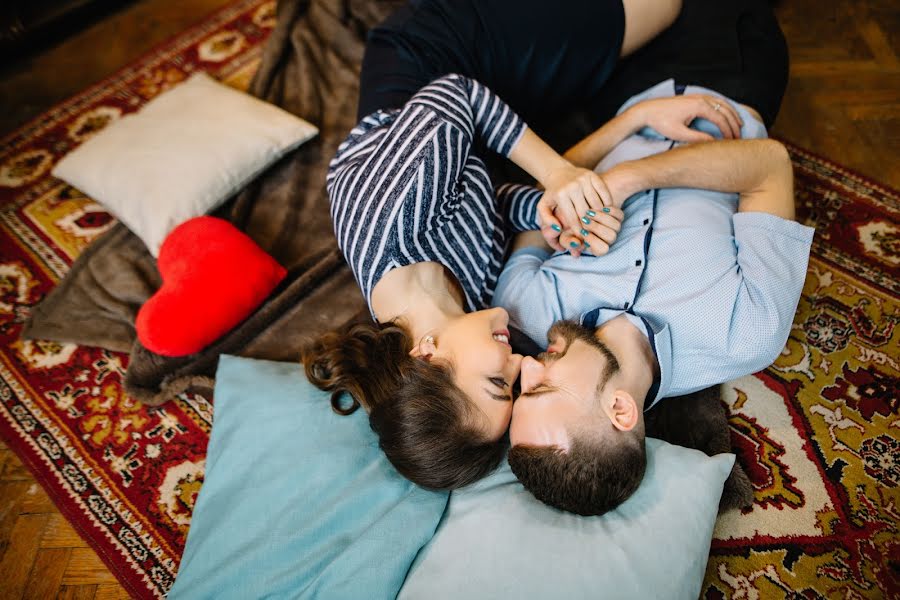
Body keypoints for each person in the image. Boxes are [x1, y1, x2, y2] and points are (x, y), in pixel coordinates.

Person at [300, 0, 684, 490]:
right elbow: (483, 200)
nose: (522, 363)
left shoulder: (393, 221)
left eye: (497, 383)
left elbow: (456, 94)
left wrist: (557, 175)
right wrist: (549, 214)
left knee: (662, 8)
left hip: (440, 54)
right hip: (483, 133)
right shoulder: (465, 310)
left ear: (426, 356)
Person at [494, 0, 810, 515]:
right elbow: (770, 167)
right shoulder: (746, 331)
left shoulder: (524, 304)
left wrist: (631, 123)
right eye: (540, 390)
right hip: (728, 82)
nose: (526, 369)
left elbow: (542, 189)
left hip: (615, 88)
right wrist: (632, 178)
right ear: (620, 409)